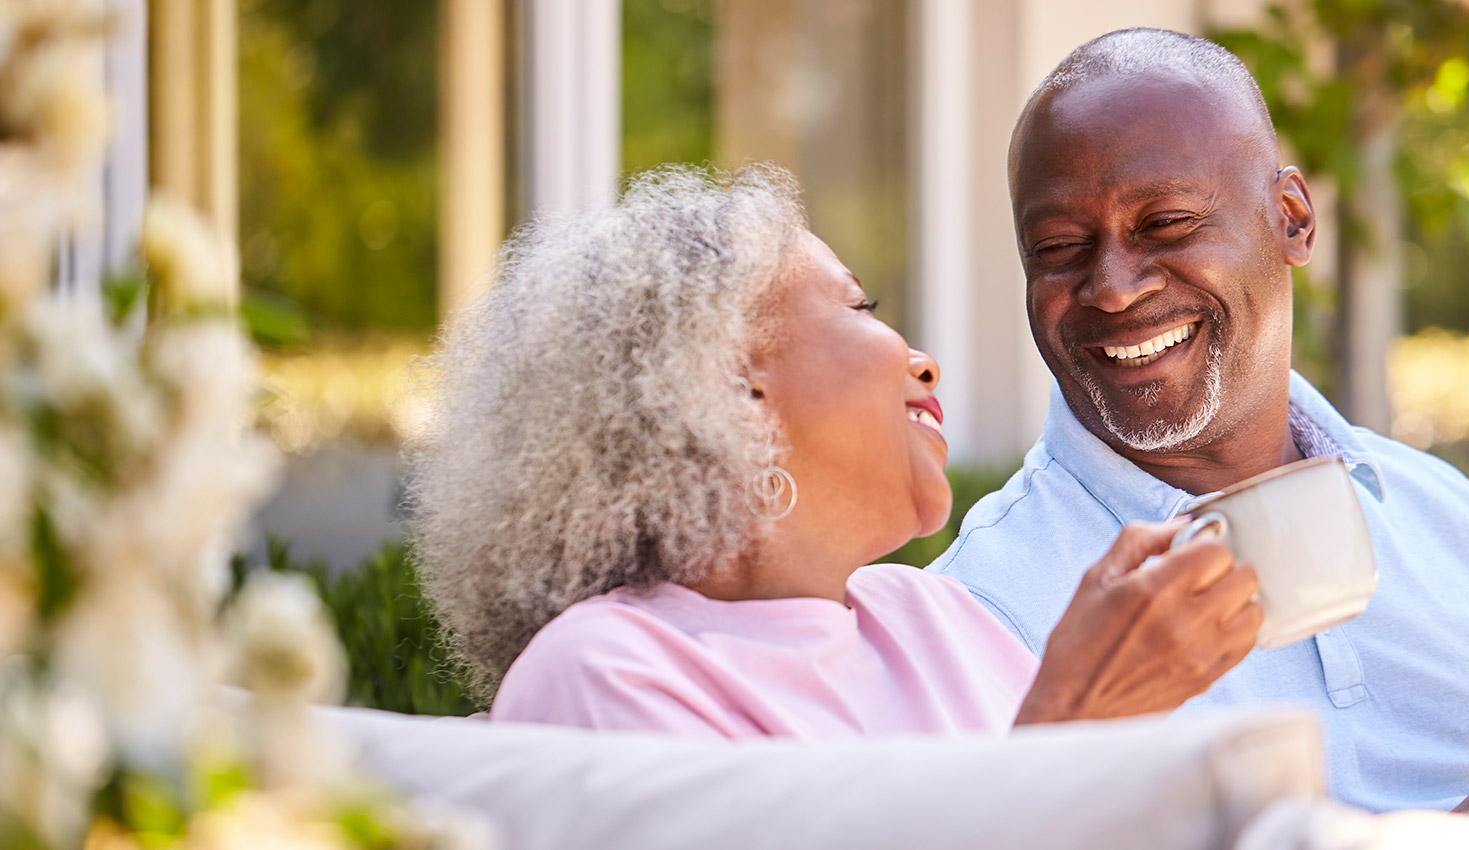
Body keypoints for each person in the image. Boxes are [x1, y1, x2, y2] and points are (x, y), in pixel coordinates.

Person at [926, 28, 1469, 839]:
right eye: (1059, 247)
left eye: (1167, 224)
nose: (1110, 288)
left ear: (1291, 218)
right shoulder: (988, 603)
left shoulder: (1444, 517)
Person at [407, 164, 1263, 740]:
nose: (922, 360)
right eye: (858, 309)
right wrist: (1073, 725)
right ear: (727, 391)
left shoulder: (939, 619)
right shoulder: (605, 672)